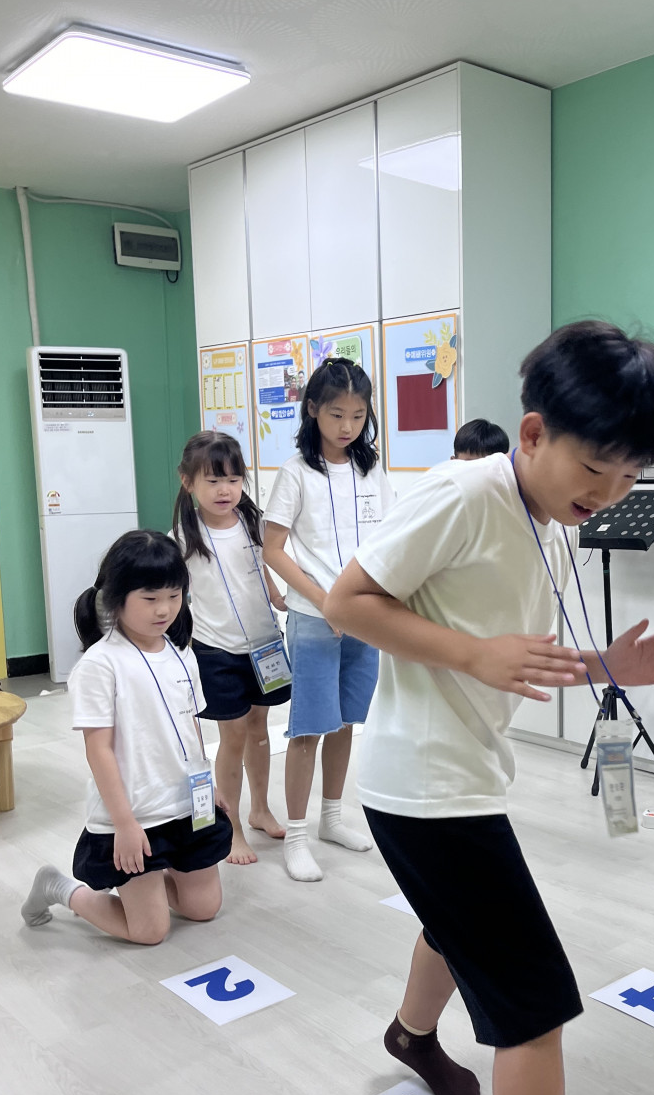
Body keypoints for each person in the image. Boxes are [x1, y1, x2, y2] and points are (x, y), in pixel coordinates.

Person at [327, 319, 654, 1095]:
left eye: (630, 475)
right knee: (533, 1008)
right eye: (594, 467)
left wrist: (606, 668)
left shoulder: (548, 518)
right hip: (422, 785)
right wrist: (471, 655)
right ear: (532, 433)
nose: (608, 492)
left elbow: (517, 654)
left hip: (459, 777)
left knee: (457, 926)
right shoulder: (467, 494)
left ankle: (410, 1034)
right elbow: (349, 602)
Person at [21, 531, 233, 944]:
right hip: (135, 812)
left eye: (174, 596)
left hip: (185, 805)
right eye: (150, 598)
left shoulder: (182, 653)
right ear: (116, 598)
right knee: (150, 931)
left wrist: (206, 785)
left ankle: (153, 881)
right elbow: (98, 750)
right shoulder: (100, 664)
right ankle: (60, 888)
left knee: (203, 908)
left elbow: (190, 728)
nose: (165, 609)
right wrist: (124, 823)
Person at [262, 356, 396, 882]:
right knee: (308, 728)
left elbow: (388, 538)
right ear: (313, 409)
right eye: (337, 414)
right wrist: (325, 602)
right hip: (315, 618)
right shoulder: (295, 473)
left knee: (345, 722)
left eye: (358, 416)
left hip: (365, 616)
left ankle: (332, 818)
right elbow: (273, 550)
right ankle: (296, 835)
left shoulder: (371, 469)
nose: (347, 427)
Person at [172, 431, 289, 866]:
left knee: (260, 729)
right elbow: (174, 596)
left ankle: (260, 809)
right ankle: (232, 826)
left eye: (234, 480)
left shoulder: (253, 523)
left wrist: (280, 598)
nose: (225, 490)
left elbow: (264, 570)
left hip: (264, 645)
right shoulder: (183, 537)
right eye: (213, 480)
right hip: (216, 651)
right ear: (188, 482)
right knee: (233, 736)